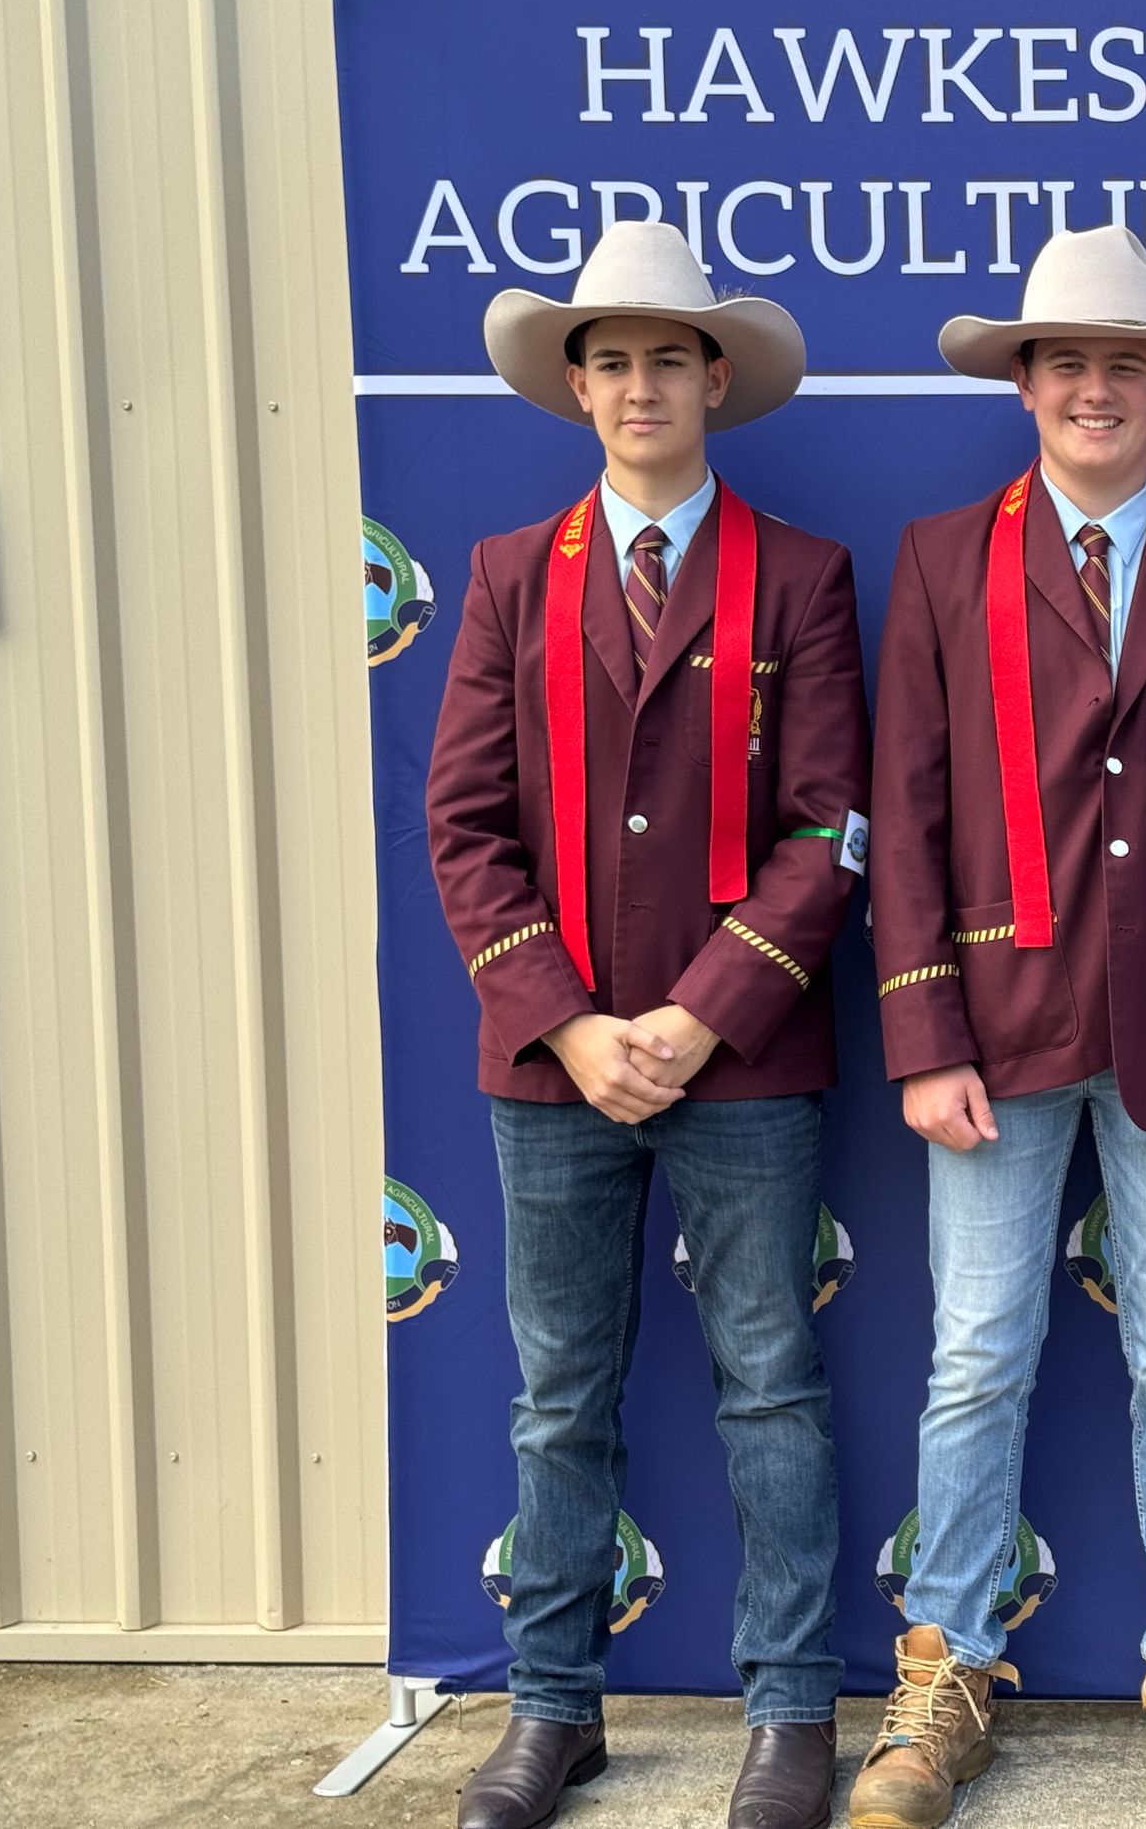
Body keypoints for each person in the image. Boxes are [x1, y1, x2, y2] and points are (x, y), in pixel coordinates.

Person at [855, 226, 1146, 1829]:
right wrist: (923, 1029)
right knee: (977, 1355)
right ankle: (946, 1674)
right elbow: (905, 811)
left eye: (1125, 363)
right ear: (1023, 385)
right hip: (993, 1026)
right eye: (1066, 363)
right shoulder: (938, 561)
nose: (1094, 389)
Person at [426, 220, 870, 1829]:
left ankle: (791, 1710)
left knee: (770, 1382)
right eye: (608, 361)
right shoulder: (505, 577)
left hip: (741, 1060)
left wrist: (699, 1012)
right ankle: (554, 1706)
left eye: (664, 359)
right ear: (577, 387)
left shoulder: (801, 576)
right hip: (553, 1073)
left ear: (714, 378)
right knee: (560, 1393)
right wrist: (567, 1024)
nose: (637, 386)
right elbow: (465, 828)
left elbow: (832, 827)